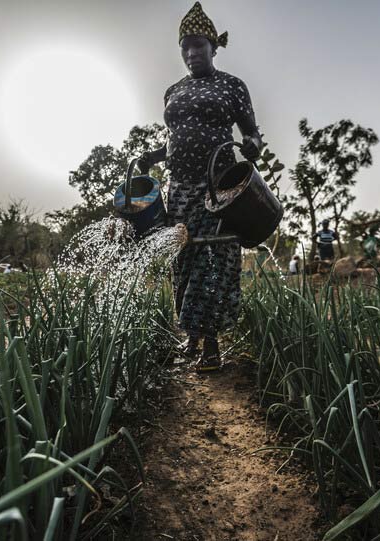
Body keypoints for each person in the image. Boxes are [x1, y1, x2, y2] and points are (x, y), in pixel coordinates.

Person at [137, 2, 262, 373]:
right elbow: (175, 137)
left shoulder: (232, 86)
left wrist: (254, 145)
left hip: (219, 187)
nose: (192, 53)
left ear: (213, 47)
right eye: (185, 47)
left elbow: (251, 132)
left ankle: (210, 344)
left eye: (199, 46)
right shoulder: (173, 90)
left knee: (214, 259)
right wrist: (153, 156)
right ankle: (190, 338)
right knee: (185, 258)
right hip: (180, 187)